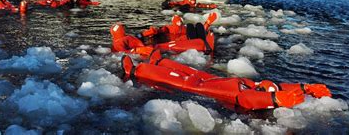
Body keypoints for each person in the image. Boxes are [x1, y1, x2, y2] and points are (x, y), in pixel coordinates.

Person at [121, 51, 332, 111]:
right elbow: (280, 86)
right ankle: (161, 60)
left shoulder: (247, 94)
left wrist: (274, 99)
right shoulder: (257, 87)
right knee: (187, 70)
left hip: (201, 87)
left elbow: (248, 99)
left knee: (177, 79)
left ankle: (136, 70)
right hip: (213, 80)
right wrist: (305, 87)